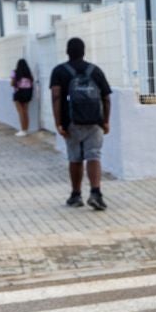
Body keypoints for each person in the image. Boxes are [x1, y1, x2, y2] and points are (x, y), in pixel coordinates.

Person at [49, 36, 112, 211]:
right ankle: (96, 193)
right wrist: (106, 121)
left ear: (67, 52)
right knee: (94, 155)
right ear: (84, 52)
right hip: (95, 122)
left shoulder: (59, 71)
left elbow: (56, 96)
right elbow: (106, 98)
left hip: (71, 122)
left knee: (75, 157)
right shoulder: (95, 71)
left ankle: (76, 195)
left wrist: (58, 123)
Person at [10, 58, 36, 136]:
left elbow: (11, 84)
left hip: (18, 94)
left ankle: (22, 130)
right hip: (27, 94)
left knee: (20, 112)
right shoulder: (28, 74)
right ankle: (26, 129)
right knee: (25, 112)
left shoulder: (14, 72)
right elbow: (32, 81)